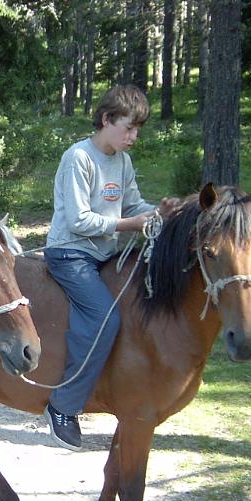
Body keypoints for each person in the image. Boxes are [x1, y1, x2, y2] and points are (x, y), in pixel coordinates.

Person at [43, 84, 179, 450]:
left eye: (138, 130)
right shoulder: (79, 158)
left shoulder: (121, 161)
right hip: (71, 253)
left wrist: (160, 212)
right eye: (129, 128)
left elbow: (132, 205)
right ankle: (63, 407)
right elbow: (78, 221)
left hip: (103, 254)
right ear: (106, 120)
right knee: (105, 317)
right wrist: (129, 225)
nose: (134, 136)